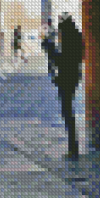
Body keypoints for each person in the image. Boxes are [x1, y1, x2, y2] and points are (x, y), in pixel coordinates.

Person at [40, 14, 84, 159]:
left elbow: (63, 61)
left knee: (67, 112)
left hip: (68, 78)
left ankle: (73, 148)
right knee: (67, 111)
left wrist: (50, 50)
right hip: (71, 77)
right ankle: (73, 147)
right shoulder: (75, 36)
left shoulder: (70, 39)